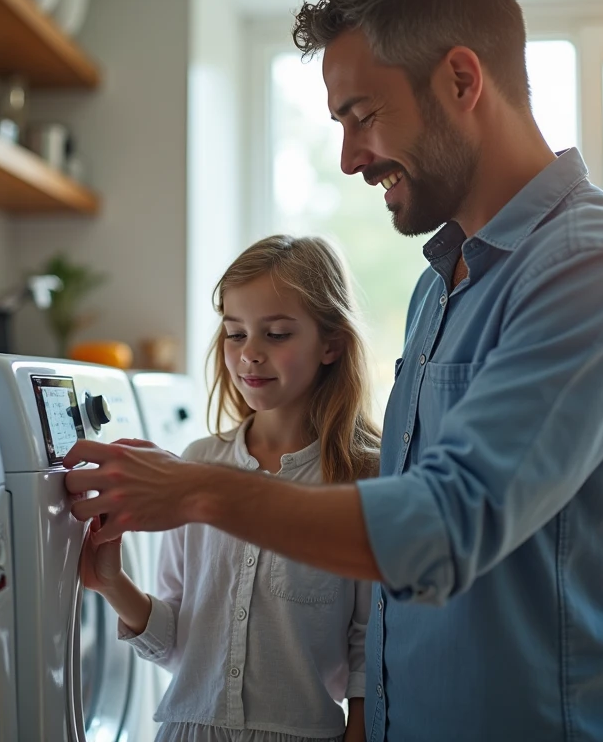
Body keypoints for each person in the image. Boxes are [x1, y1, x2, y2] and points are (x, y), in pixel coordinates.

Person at [65, 0, 603, 740]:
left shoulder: (596, 265)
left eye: (363, 115)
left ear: (462, 81)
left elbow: (446, 524)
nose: (350, 157)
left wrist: (197, 492)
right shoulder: (440, 284)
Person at [79, 235, 379, 742]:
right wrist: (112, 583)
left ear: (331, 344)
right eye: (235, 334)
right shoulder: (198, 463)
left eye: (277, 334)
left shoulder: (361, 478)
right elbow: (177, 644)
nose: (250, 355)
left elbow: (368, 647)